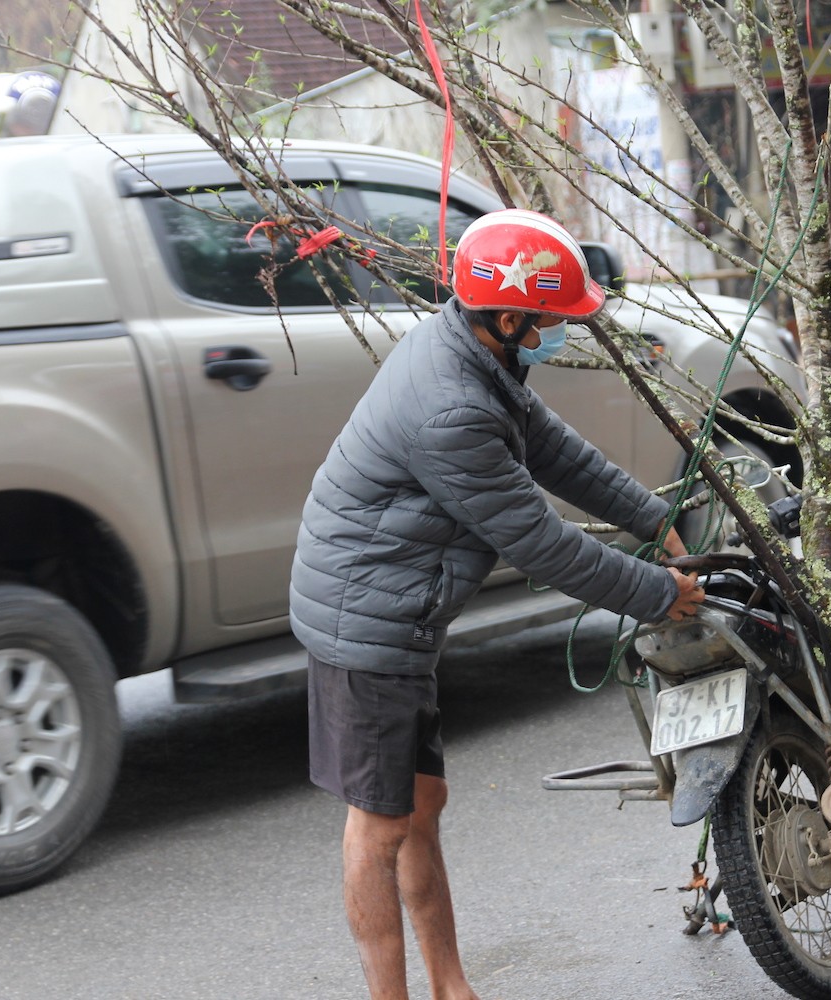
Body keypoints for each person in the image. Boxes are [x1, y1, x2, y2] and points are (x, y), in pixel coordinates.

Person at [289, 208, 706, 1000]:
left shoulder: (478, 358)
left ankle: (451, 986)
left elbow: (559, 454)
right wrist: (657, 593)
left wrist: (658, 520)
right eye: (550, 319)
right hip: (367, 619)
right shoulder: (453, 408)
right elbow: (540, 543)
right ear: (510, 316)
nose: (557, 331)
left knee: (422, 801)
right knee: (378, 827)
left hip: (396, 605)